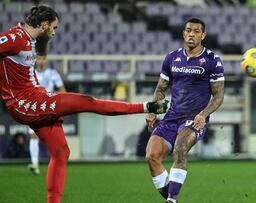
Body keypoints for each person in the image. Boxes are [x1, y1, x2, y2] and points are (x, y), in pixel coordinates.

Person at [0, 5, 168, 203]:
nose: (54, 32)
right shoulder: (15, 37)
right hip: (26, 103)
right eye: (53, 28)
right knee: (88, 102)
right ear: (44, 25)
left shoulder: (30, 39)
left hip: (36, 99)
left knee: (61, 152)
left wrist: (43, 39)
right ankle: (146, 107)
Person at [145, 17, 225, 203]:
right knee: (152, 156)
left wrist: (203, 115)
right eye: (188, 30)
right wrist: (153, 110)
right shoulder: (172, 58)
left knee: (180, 149)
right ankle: (172, 199)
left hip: (194, 119)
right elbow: (160, 89)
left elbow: (219, 96)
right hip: (171, 118)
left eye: (196, 31)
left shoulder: (212, 60)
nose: (191, 34)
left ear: (203, 35)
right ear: (183, 33)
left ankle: (171, 200)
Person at [28, 54, 66, 175]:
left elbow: (62, 90)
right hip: (35, 108)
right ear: (35, 59)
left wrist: (52, 96)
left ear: (46, 59)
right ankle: (35, 164)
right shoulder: (30, 73)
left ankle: (57, 163)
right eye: (39, 58)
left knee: (53, 137)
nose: (41, 61)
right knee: (34, 135)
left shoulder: (53, 73)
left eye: (43, 58)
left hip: (50, 108)